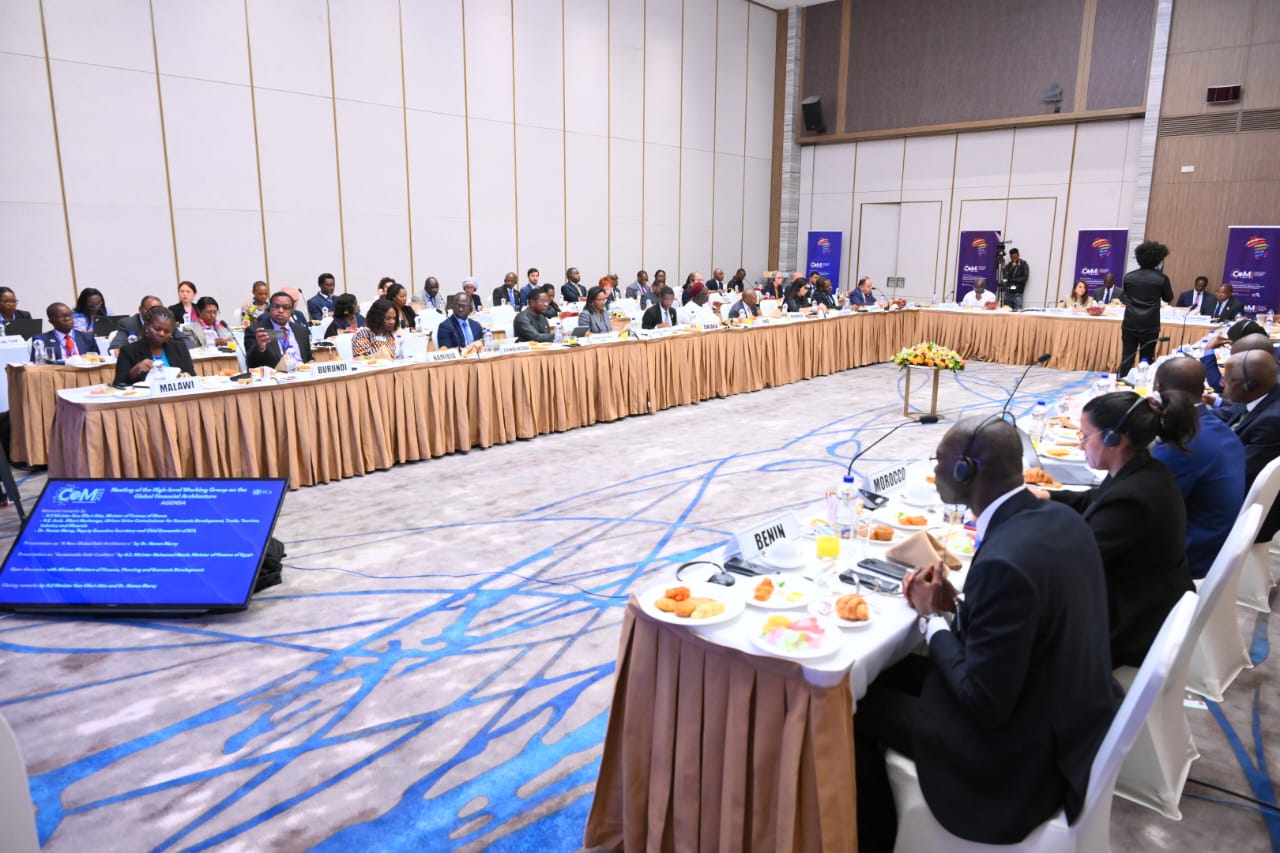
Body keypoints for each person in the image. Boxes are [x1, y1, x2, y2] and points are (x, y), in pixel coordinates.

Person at [855, 416, 1119, 849]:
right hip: (1064, 716)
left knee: (853, 706)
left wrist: (930, 618)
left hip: (1015, 759)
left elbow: (983, 701)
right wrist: (957, 607)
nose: (934, 470)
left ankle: (875, 839)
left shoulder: (1004, 562)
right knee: (887, 673)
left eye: (939, 461)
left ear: (966, 470)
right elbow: (1022, 623)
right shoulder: (1061, 518)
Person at [1035, 391, 1196, 667]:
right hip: (1145, 599)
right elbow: (1095, 500)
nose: (1080, 445)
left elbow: (1072, 563)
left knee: (1026, 620)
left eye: (1085, 436)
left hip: (1130, 625)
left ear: (1113, 438)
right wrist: (1046, 496)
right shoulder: (1143, 470)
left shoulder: (1133, 500)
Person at [1151, 357, 1245, 579]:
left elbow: (1147, 505)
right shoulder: (1216, 427)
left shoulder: (1183, 445)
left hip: (1190, 556)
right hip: (1214, 542)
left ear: (1158, 389)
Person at [1216, 349, 1280, 543]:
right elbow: (1230, 414)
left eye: (1227, 379)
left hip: (1249, 511)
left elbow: (1236, 473)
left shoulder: (1273, 421)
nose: (1221, 383)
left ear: (1249, 385)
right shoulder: (1263, 395)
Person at [1118, 240, 1174, 376]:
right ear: (1158, 259)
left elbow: (1125, 296)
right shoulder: (1161, 278)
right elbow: (1168, 298)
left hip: (1130, 323)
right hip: (1150, 325)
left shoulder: (1129, 277)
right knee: (1147, 357)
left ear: (1139, 258)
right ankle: (1143, 382)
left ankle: (1121, 381)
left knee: (1127, 356)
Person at [114, 306, 195, 383]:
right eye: (157, 329)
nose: (162, 334)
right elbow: (118, 384)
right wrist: (135, 370)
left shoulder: (179, 347)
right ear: (146, 326)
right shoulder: (128, 350)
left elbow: (192, 376)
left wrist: (186, 376)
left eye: (167, 331)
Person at [248, 291, 314, 369]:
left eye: (286, 307)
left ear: (291, 311)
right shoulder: (257, 331)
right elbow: (251, 363)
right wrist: (260, 348)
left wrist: (312, 362)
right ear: (270, 308)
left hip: (302, 372)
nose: (280, 310)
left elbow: (309, 358)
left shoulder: (301, 331)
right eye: (276, 306)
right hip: (275, 374)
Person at [1200, 322, 1270, 394]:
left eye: (1232, 344)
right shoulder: (1267, 352)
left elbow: (1219, 385)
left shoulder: (1254, 363)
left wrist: (1208, 350)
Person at [33, 303, 99, 362]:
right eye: (61, 317)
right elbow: (36, 365)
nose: (67, 319)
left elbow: (98, 360)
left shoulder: (87, 337)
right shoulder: (42, 340)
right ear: (51, 321)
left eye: (70, 315)